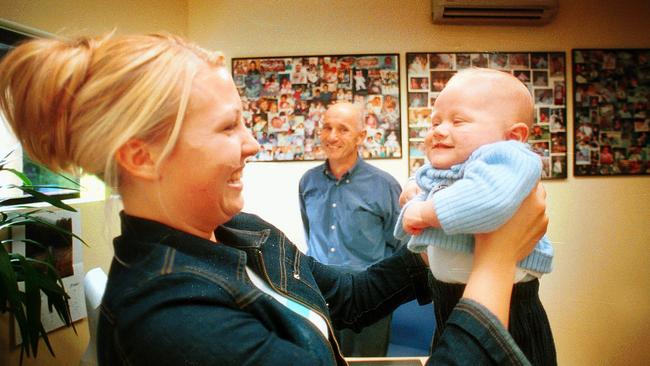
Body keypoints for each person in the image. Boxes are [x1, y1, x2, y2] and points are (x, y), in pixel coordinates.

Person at [0, 34, 548, 366]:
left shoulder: (245, 233)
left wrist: (443, 237)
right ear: (141, 156)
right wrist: (497, 264)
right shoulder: (173, 323)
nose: (253, 144)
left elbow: (351, 297)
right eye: (227, 127)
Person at [395, 68, 556, 365]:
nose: (439, 130)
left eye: (458, 121)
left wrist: (426, 210)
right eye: (435, 122)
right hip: (449, 303)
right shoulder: (454, 168)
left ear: (513, 136)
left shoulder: (510, 159)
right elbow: (429, 183)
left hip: (511, 314)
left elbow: (488, 201)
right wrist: (413, 191)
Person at [299, 102, 402, 357]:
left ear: (361, 136)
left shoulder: (385, 185)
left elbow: (401, 245)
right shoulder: (308, 182)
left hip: (368, 296)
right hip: (320, 295)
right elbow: (310, 233)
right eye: (327, 128)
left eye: (343, 129)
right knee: (323, 360)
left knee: (365, 364)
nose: (332, 136)